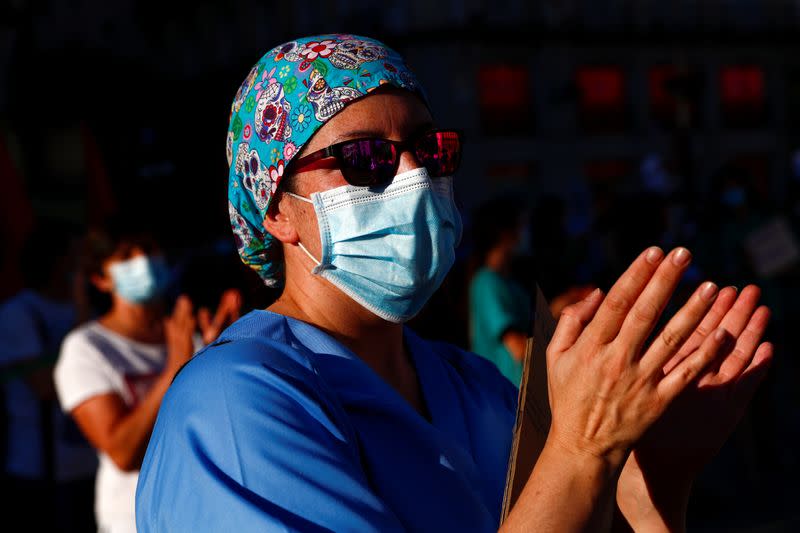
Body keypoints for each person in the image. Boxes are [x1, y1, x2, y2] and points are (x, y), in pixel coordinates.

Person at [135, 34, 773, 532]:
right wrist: (583, 450)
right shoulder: (235, 405)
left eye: (428, 149)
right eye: (365, 159)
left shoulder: (475, 389)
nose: (412, 176)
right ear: (276, 209)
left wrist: (653, 477)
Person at [54, 218, 241, 533]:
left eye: (149, 249)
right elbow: (123, 453)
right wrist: (175, 369)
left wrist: (219, 357)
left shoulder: (190, 337)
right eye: (126, 256)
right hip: (134, 522)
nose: (142, 261)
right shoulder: (87, 348)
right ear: (101, 278)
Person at [0, 220, 98, 532]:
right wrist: (82, 313)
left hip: (87, 467)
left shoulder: (90, 312)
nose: (82, 266)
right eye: (75, 256)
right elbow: (47, 388)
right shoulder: (19, 314)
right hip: (39, 471)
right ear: (55, 260)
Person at [467, 195, 534, 385]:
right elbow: (518, 346)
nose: (526, 233)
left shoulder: (511, 284)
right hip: (503, 396)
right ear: (506, 234)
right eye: (522, 226)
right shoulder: (485, 282)